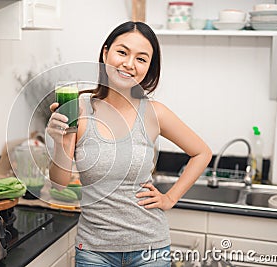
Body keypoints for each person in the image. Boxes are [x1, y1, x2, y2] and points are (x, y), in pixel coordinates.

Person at [46, 21, 212, 267]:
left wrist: (170, 198)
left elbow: (202, 153)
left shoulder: (155, 113)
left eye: (141, 59)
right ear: (105, 53)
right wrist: (61, 141)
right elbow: (59, 183)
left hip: (151, 250)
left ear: (148, 67)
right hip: (94, 251)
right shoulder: (79, 109)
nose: (129, 64)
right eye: (122, 52)